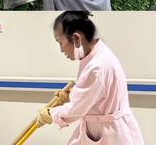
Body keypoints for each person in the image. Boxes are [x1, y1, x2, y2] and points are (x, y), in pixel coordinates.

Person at [36, 12, 144, 144]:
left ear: (76, 38)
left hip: (111, 134)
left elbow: (76, 110)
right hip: (102, 130)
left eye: (60, 42)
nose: (61, 50)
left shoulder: (97, 66)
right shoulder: (95, 54)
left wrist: (50, 114)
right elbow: (96, 95)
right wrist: (71, 96)